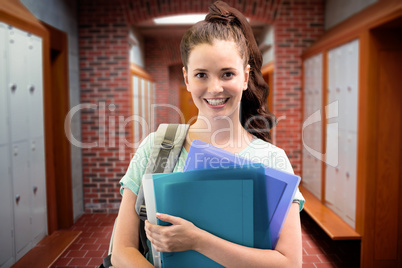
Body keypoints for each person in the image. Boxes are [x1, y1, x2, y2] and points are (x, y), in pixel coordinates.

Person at [111, 1, 304, 267]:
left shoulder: (273, 160)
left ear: (245, 77)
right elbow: (122, 250)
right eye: (201, 74)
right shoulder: (157, 146)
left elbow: (289, 263)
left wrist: (197, 240)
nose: (215, 88)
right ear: (187, 79)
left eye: (227, 74)